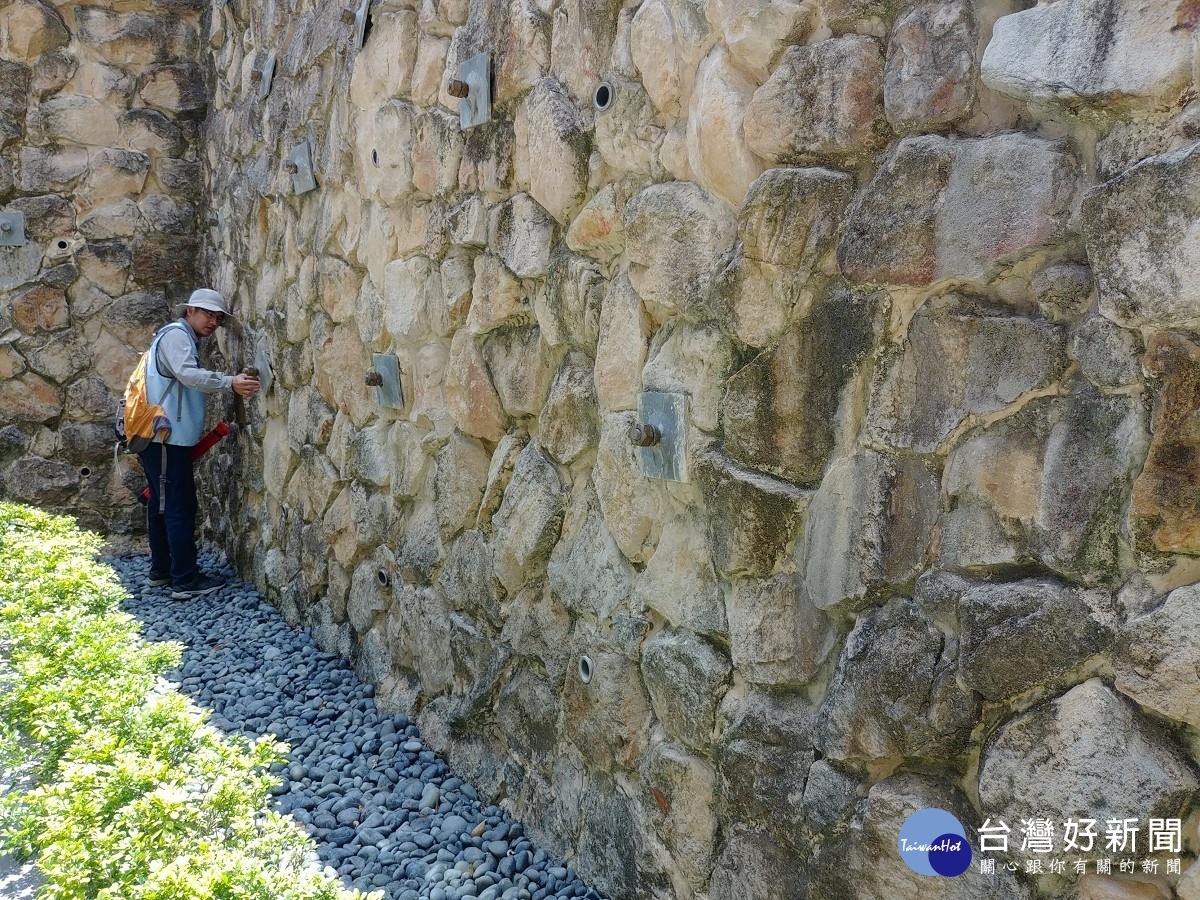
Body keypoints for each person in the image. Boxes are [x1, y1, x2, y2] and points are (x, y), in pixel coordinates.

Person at [139, 289, 260, 600]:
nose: (213, 321)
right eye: (208, 313)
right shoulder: (177, 335)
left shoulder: (175, 336)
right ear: (189, 310)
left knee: (162, 504)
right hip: (167, 438)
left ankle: (163, 571)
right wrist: (229, 381)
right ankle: (184, 579)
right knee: (178, 507)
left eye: (218, 317)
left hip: (161, 437)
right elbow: (188, 375)